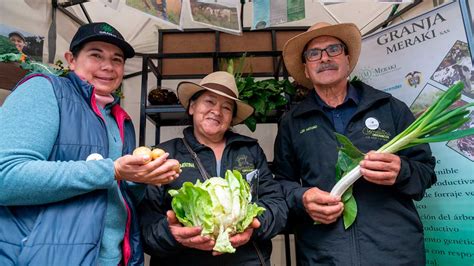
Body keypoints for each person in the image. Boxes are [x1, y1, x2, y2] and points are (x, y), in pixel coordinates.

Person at [0, 22, 180, 265]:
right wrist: (111, 170)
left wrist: (140, 179)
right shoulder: (44, 90)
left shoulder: (120, 118)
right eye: (96, 55)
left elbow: (117, 198)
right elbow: (6, 177)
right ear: (71, 60)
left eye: (117, 60)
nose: (108, 66)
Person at [273, 22, 436, 265]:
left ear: (348, 60)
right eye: (314, 54)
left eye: (334, 49)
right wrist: (302, 197)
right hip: (324, 255)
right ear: (306, 70)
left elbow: (426, 173)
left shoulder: (390, 108)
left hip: (395, 252)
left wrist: (401, 171)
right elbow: (281, 184)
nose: (324, 58)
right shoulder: (292, 123)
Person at [138, 71, 288, 265]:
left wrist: (254, 225)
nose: (217, 111)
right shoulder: (164, 155)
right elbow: (146, 227)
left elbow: (277, 203)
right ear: (192, 107)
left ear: (232, 118)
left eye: (226, 107)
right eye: (209, 102)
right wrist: (172, 233)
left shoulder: (249, 150)